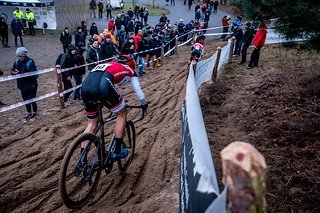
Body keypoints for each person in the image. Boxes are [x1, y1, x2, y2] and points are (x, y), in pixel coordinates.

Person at [81, 54, 148, 159]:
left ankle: (82, 159)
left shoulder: (107, 64)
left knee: (92, 124)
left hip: (85, 87)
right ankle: (117, 151)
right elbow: (138, 90)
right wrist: (144, 103)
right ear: (132, 65)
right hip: (103, 86)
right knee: (122, 113)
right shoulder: (130, 70)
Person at [11, 47, 38, 122]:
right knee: (26, 100)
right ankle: (29, 113)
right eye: (18, 56)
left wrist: (19, 73)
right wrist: (13, 72)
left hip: (31, 85)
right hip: (22, 86)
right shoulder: (16, 62)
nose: (19, 58)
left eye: (20, 56)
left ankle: (35, 113)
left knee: (32, 99)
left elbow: (33, 75)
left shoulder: (30, 62)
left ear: (24, 55)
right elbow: (13, 70)